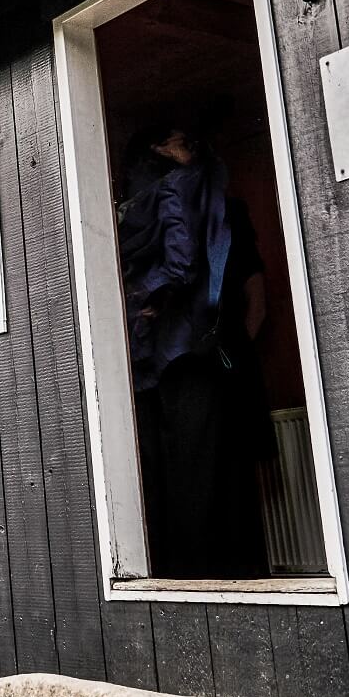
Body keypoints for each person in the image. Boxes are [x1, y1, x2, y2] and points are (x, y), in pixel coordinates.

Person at [118, 125, 268, 579]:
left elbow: (254, 300)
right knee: (206, 480)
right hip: (188, 366)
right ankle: (219, 575)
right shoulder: (190, 209)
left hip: (174, 365)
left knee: (193, 480)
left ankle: (199, 576)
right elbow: (255, 300)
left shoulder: (161, 213)